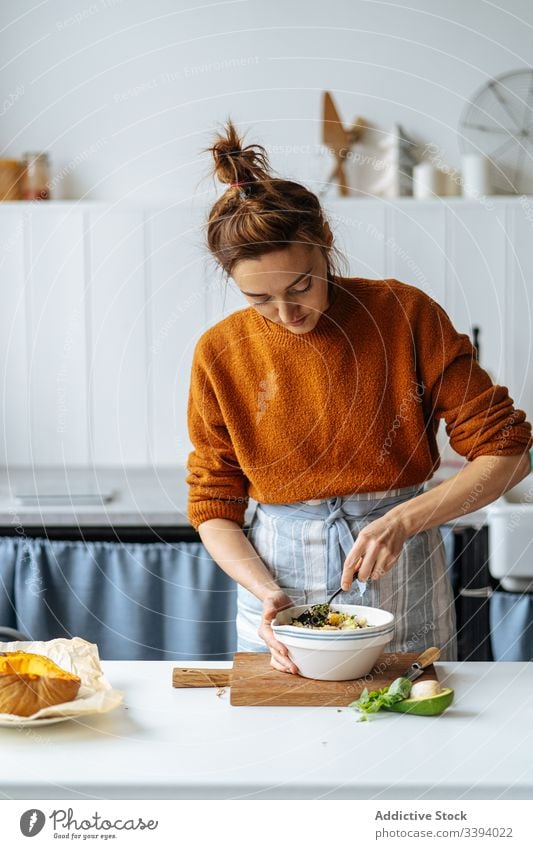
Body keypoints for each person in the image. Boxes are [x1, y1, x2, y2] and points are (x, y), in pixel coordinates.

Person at [186, 117, 532, 672]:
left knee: (408, 728)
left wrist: (404, 520)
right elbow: (213, 502)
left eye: (300, 285)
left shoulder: (404, 314)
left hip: (405, 565)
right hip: (276, 579)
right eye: (259, 299)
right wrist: (264, 590)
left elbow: (510, 452)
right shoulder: (220, 353)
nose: (286, 314)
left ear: (324, 240)